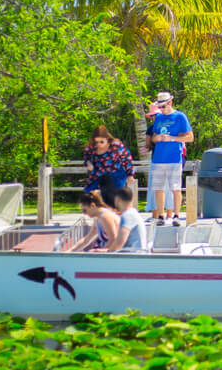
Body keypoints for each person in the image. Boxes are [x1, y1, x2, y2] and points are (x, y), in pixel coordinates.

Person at [146, 91, 194, 227]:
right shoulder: (159, 118)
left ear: (170, 103)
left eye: (163, 106)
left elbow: (190, 137)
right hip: (158, 159)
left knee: (176, 188)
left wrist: (172, 138)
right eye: (159, 107)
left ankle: (176, 215)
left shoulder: (180, 117)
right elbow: (153, 137)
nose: (160, 110)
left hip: (174, 158)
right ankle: (161, 216)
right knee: (158, 188)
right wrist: (157, 138)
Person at [83, 126, 135, 207]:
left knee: (117, 197)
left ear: (107, 139)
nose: (98, 144)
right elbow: (86, 158)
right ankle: (98, 212)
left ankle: (117, 214)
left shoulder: (116, 145)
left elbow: (127, 159)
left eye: (101, 142)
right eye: (96, 142)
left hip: (116, 173)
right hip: (99, 173)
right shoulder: (91, 147)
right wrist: (88, 164)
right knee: (89, 194)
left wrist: (130, 174)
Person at [105, 187, 148, 253]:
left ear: (118, 199)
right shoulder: (133, 213)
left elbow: (120, 242)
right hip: (137, 254)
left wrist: (107, 253)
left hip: (133, 257)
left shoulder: (127, 215)